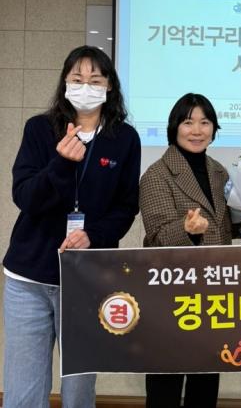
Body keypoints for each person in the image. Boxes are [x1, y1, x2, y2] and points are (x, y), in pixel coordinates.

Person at [2, 45, 141, 408]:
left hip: (86, 277)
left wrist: (93, 235)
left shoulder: (125, 139)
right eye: (77, 79)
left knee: (79, 391)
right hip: (29, 277)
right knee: (22, 391)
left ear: (109, 86)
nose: (85, 87)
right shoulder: (39, 129)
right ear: (65, 82)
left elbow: (126, 207)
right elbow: (25, 197)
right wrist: (61, 163)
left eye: (95, 80)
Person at [139, 92, 241, 408]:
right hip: (172, 296)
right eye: (188, 122)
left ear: (214, 128)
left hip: (214, 293)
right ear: (174, 128)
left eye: (205, 122)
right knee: (166, 384)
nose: (197, 130)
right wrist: (187, 229)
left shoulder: (218, 171)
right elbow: (157, 238)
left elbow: (222, 226)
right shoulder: (156, 174)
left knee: (205, 382)